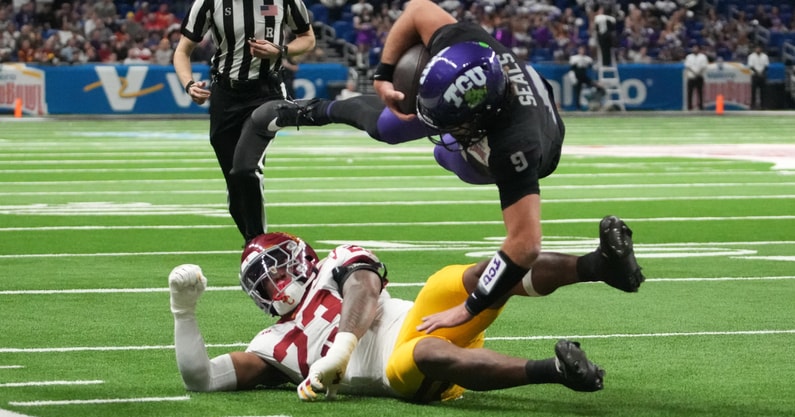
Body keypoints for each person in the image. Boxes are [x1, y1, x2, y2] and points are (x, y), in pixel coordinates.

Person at [239, 0, 645, 331]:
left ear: (479, 120)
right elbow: (417, 9)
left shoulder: (513, 147)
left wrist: (468, 308)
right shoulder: (466, 41)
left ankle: (446, 144)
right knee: (392, 121)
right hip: (497, 102)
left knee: (445, 154)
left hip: (537, 144)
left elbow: (525, 244)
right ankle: (313, 111)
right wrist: (383, 74)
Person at [170, 223, 647, 401]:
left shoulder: (337, 264)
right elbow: (201, 380)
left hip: (421, 316)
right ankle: (559, 372)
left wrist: (339, 351)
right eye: (263, 281)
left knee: (446, 279)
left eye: (275, 270)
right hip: (398, 374)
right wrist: (183, 313)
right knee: (416, 355)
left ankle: (601, 266)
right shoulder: (269, 346)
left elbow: (364, 286)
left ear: (300, 256)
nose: (274, 285)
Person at [173, 0, 316, 244]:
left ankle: (260, 245)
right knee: (235, 183)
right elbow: (182, 51)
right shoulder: (209, 3)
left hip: (266, 92)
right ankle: (253, 244)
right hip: (225, 96)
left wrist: (280, 51)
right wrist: (189, 85)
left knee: (245, 169)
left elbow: (308, 38)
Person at [569, 45, 604, 111]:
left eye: (583, 49)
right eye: (580, 49)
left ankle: (597, 103)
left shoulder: (587, 59)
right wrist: (573, 78)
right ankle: (577, 107)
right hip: (577, 76)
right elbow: (572, 69)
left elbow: (592, 67)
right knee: (577, 92)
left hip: (584, 76)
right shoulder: (574, 58)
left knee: (596, 85)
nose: (582, 51)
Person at [684, 44, 708, 110]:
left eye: (696, 48)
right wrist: (694, 72)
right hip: (691, 76)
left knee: (700, 92)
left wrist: (698, 73)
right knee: (690, 92)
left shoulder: (703, 57)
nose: (695, 49)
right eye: (693, 48)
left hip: (699, 76)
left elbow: (704, 66)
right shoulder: (689, 57)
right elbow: (688, 66)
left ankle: (701, 106)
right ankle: (689, 106)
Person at [747, 44, 769, 110]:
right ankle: (753, 105)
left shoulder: (765, 56)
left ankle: (763, 106)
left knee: (763, 92)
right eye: (757, 48)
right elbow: (751, 66)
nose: (758, 49)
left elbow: (766, 66)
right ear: (755, 49)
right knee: (753, 91)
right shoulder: (751, 56)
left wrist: (762, 72)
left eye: (759, 48)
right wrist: (757, 72)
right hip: (755, 75)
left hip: (762, 75)